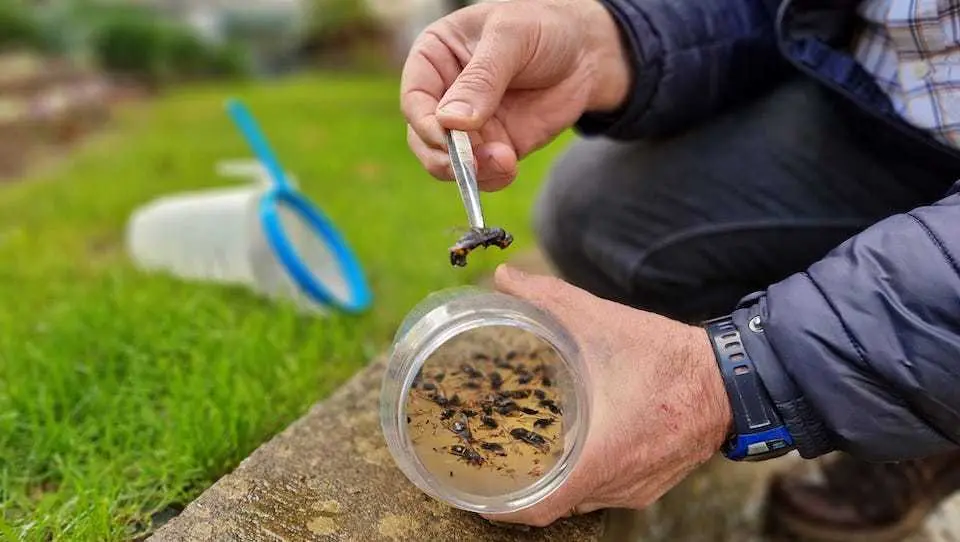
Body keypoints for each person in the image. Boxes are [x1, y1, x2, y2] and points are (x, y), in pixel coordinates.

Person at [399, 0, 960, 540]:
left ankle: (924, 419)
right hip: (880, 106)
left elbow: (741, 374)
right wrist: (610, 40)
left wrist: (743, 373)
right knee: (598, 215)